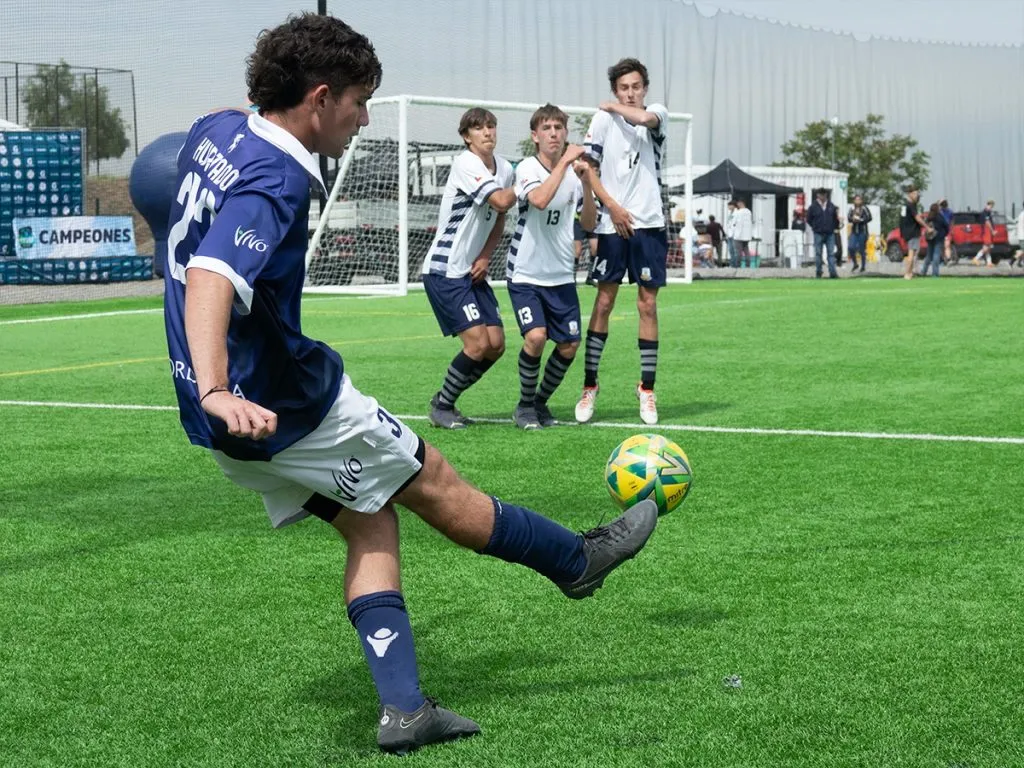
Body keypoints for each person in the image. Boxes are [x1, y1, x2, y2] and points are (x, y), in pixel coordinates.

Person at [162, 14, 659, 756]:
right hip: (284, 404)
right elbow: (210, 275)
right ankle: (575, 562)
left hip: (229, 421)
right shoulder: (279, 173)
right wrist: (214, 387)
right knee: (437, 486)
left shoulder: (215, 131)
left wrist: (205, 396)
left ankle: (405, 710)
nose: (364, 119)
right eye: (359, 102)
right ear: (320, 97)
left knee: (370, 521)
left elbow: (201, 148)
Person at [575, 57, 669, 426]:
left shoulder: (657, 114)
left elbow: (645, 119)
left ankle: (646, 389)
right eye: (623, 88)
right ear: (615, 89)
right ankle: (590, 387)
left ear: (645, 88)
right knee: (603, 303)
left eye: (635, 87)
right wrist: (611, 207)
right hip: (613, 225)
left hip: (649, 225)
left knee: (647, 306)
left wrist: (616, 106)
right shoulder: (601, 122)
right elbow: (587, 168)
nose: (630, 93)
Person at [421, 108, 516, 429]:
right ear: (466, 136)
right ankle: (442, 406)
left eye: (491, 126)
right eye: (479, 128)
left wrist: (486, 256)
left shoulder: (503, 167)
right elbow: (502, 201)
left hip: (473, 272)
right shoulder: (466, 163)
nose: (488, 132)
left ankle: (444, 400)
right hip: (445, 270)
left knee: (496, 345)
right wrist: (532, 182)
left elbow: (500, 217)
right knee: (477, 344)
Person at [508, 104, 597, 428]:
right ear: (535, 135)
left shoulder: (573, 175)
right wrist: (565, 163)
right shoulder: (527, 168)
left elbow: (588, 223)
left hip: (561, 275)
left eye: (559, 128)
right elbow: (540, 200)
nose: (554, 133)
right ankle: (524, 406)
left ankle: (540, 404)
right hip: (526, 273)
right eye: (547, 128)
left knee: (570, 344)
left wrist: (586, 184)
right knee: (535, 337)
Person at [807, 188, 840, 278]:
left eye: (824, 194)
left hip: (829, 233)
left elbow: (835, 219)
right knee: (818, 254)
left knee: (831, 254)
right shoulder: (813, 207)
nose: (823, 196)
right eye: (821, 194)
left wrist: (834, 227)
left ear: (826, 195)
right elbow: (809, 219)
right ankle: (818, 271)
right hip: (818, 233)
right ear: (818, 195)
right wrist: (815, 227)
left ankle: (832, 272)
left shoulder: (831, 206)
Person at [899, 186, 927, 279]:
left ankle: (910, 272)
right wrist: (927, 227)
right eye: (915, 194)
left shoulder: (904, 205)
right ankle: (907, 273)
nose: (917, 195)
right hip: (912, 232)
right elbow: (917, 218)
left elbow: (902, 219)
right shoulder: (911, 205)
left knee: (913, 253)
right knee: (911, 253)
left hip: (906, 231)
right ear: (910, 194)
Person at [920, 202, 948, 276]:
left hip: (930, 238)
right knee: (936, 254)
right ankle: (935, 273)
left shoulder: (929, 217)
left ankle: (923, 271)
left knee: (929, 255)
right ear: (937, 209)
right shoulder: (940, 217)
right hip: (938, 238)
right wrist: (944, 234)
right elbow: (946, 226)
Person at [847, 194, 871, 272]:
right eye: (856, 199)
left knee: (861, 249)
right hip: (854, 231)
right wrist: (853, 219)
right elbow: (849, 218)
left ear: (861, 201)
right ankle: (855, 263)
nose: (857, 201)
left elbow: (869, 217)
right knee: (851, 247)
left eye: (859, 199)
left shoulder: (864, 208)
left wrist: (861, 220)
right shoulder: (852, 208)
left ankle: (863, 266)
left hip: (862, 231)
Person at [972, 199, 996, 267]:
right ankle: (976, 258)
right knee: (986, 247)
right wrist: (992, 231)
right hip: (986, 231)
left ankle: (989, 262)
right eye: (991, 206)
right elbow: (987, 222)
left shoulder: (988, 212)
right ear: (990, 205)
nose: (991, 208)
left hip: (988, 231)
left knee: (988, 248)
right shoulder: (985, 212)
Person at [733, 199, 753, 268]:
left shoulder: (738, 212)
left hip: (738, 235)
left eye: (738, 203)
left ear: (741, 203)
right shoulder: (749, 212)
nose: (737, 205)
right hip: (747, 235)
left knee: (738, 252)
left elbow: (734, 223)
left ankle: (738, 266)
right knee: (746, 251)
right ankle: (748, 265)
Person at [939, 199, 954, 263]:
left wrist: (951, 229)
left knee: (947, 245)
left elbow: (952, 221)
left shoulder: (950, 212)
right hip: (941, 230)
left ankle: (948, 259)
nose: (943, 205)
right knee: (942, 246)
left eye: (944, 203)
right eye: (942, 203)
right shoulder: (939, 212)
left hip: (947, 230)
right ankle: (944, 259)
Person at [726, 200, 739, 267]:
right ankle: (732, 264)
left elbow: (736, 224)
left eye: (729, 205)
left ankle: (735, 265)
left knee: (735, 250)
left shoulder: (737, 213)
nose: (728, 207)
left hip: (734, 235)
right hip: (729, 235)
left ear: (733, 205)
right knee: (731, 251)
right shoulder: (730, 213)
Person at [1012, 204, 1024, 268]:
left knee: (1022, 251)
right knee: (1022, 251)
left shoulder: (1021, 214)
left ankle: (1019, 263)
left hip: (1021, 235)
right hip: (1022, 236)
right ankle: (1012, 261)